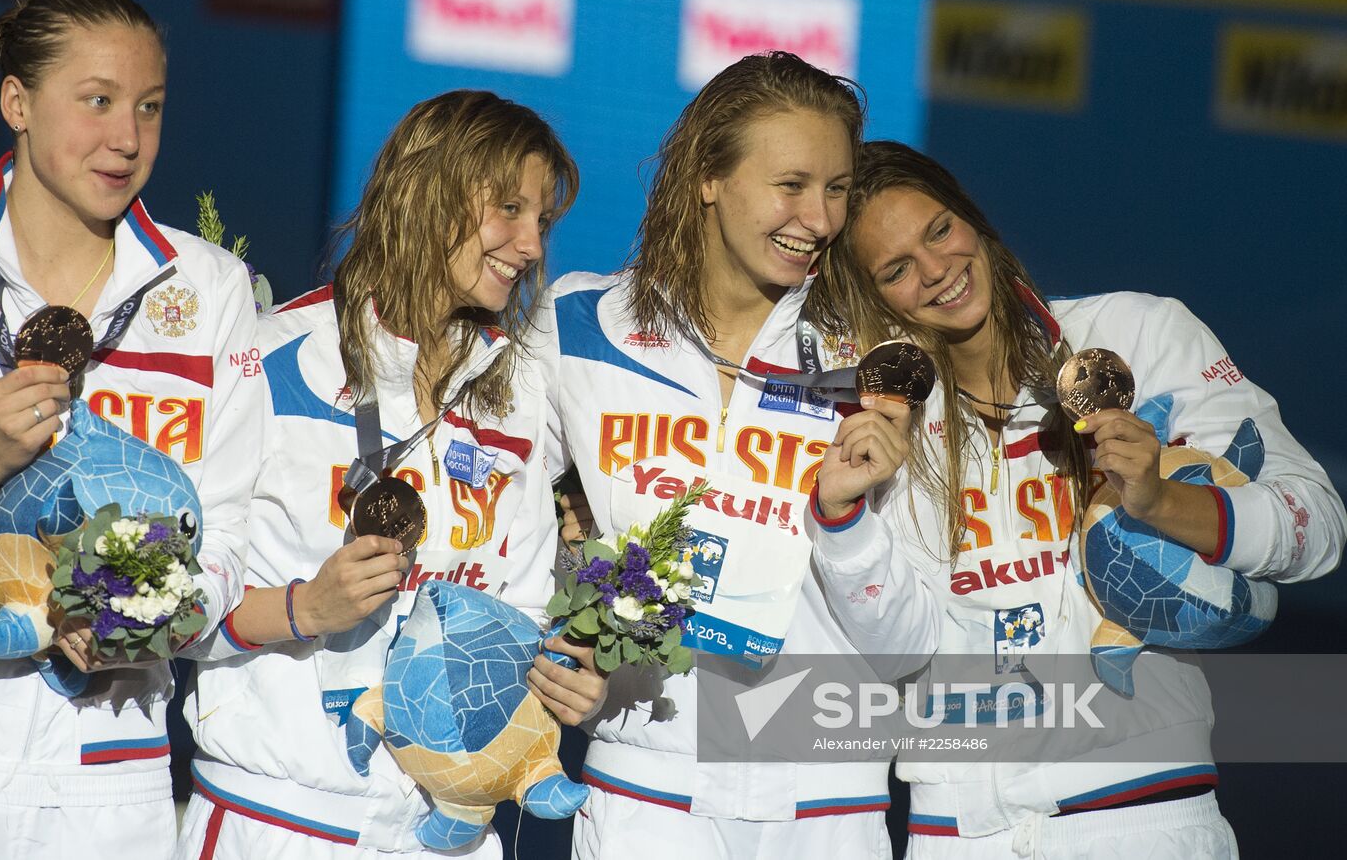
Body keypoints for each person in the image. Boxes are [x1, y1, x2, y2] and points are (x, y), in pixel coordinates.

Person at [806, 140, 1346, 858]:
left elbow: (1318, 526)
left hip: (1139, 819)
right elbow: (897, 651)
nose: (936, 270)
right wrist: (842, 523)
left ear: (972, 219)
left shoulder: (1136, 333)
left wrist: (1156, 501)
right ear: (872, 297)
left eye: (939, 230)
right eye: (897, 269)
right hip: (955, 830)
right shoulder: (889, 423)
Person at [174, 89, 602, 859]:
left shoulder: (519, 395)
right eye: (508, 209)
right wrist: (306, 607)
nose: (531, 244)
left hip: (450, 835)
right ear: (426, 194)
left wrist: (563, 682)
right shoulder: (275, 360)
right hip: (277, 822)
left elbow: (527, 608)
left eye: (542, 219)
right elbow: (167, 605)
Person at [533, 52, 939, 860]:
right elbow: (501, 533)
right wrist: (558, 629)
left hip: (828, 804)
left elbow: (909, 650)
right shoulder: (579, 325)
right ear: (708, 177)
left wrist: (845, 517)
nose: (820, 219)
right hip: (644, 791)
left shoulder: (880, 365)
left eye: (836, 189)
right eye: (791, 185)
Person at [0, 0, 262, 858]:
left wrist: (142, 619)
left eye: (149, 108)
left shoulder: (208, 293)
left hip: (112, 765)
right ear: (17, 101)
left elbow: (232, 534)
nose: (127, 139)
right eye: (98, 101)